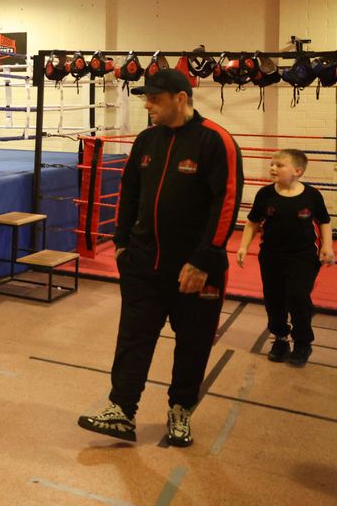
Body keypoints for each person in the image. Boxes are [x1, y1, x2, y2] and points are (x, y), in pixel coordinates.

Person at [78, 69, 242, 448]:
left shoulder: (215, 141)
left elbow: (227, 202)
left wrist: (203, 260)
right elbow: (129, 192)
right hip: (144, 263)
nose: (147, 105)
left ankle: (180, 410)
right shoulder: (147, 140)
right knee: (133, 338)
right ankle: (121, 410)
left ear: (180, 98)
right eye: (146, 98)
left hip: (195, 270)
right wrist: (120, 244)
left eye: (155, 99)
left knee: (193, 344)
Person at [238, 149, 333, 366]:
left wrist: (327, 246)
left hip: (303, 256)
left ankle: (302, 342)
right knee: (274, 299)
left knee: (297, 296)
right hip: (271, 256)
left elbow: (324, 221)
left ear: (297, 171)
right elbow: (253, 222)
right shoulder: (265, 195)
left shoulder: (311, 195)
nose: (273, 168)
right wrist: (244, 246)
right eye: (272, 164)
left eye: (279, 165)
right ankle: (280, 338)